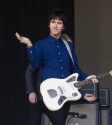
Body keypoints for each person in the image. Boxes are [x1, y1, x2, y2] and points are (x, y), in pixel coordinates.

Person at [15, 8, 98, 125]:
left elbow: (75, 69)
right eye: (53, 22)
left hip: (61, 97)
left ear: (63, 26)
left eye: (59, 23)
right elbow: (34, 65)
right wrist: (29, 46)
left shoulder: (68, 46)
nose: (55, 25)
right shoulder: (41, 44)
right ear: (49, 24)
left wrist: (86, 77)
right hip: (42, 94)